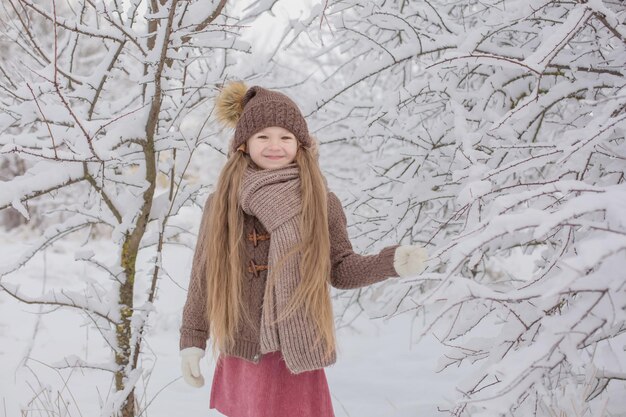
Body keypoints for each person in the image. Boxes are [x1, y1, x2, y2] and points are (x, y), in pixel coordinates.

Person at [179, 81, 428, 417]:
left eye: (285, 137)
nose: (274, 146)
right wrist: (193, 340)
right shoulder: (222, 203)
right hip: (244, 346)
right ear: (243, 144)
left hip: (295, 351)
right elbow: (203, 276)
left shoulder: (320, 202)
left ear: (301, 144)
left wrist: (390, 263)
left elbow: (340, 268)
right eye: (263, 136)